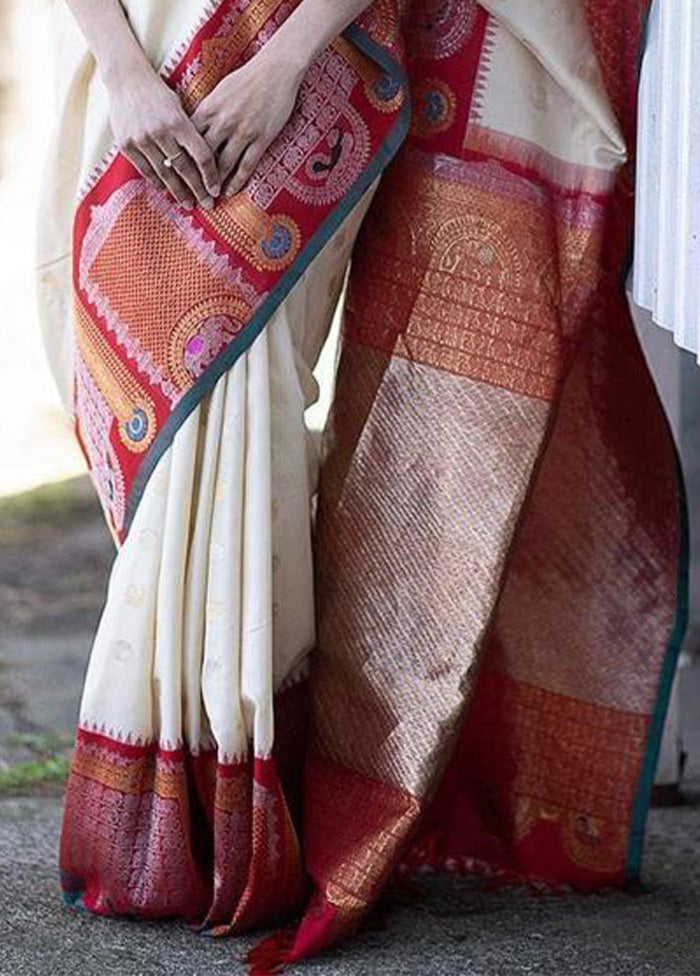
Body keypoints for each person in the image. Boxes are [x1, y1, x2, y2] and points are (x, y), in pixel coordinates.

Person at [37, 1, 684, 972]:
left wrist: (286, 63)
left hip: (306, 68)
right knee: (178, 440)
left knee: (247, 406)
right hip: (145, 60)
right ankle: (187, 794)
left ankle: (226, 815)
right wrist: (125, 73)